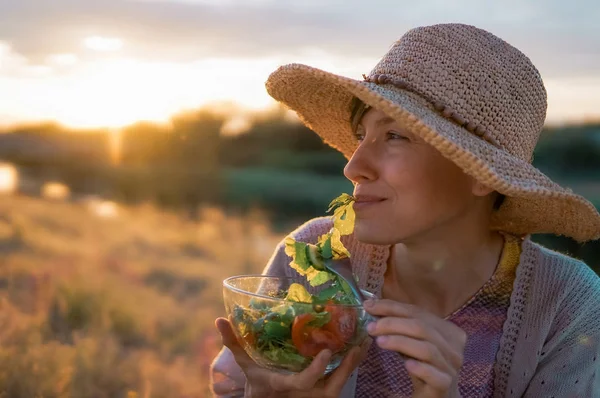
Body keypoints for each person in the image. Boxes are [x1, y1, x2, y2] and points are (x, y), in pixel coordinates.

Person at [210, 23, 600, 397]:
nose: (353, 167)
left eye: (395, 135)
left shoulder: (567, 306)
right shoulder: (314, 257)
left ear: (482, 174)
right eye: (362, 135)